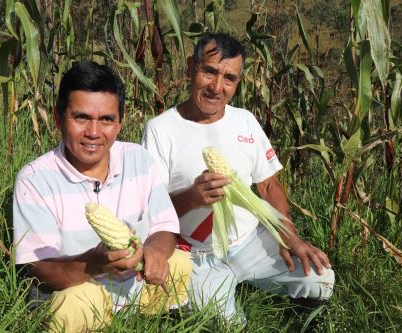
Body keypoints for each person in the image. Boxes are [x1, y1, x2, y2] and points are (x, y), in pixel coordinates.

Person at [141, 32, 335, 320]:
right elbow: (151, 208)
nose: (216, 87)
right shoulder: (160, 129)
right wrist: (193, 197)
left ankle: (263, 286)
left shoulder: (244, 120)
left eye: (229, 78)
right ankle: (224, 295)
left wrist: (289, 238)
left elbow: (268, 187)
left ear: (237, 83)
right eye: (209, 72)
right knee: (223, 322)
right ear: (190, 68)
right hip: (196, 252)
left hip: (250, 239)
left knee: (321, 280)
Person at [13, 61, 191, 332]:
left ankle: (151, 320)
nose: (94, 133)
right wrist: (94, 262)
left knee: (179, 261)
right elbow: (40, 271)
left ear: (119, 123)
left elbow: (165, 227)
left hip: (133, 284)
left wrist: (155, 251)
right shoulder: (35, 179)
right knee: (74, 303)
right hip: (78, 288)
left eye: (106, 119)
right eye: (81, 117)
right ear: (58, 119)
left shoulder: (138, 159)